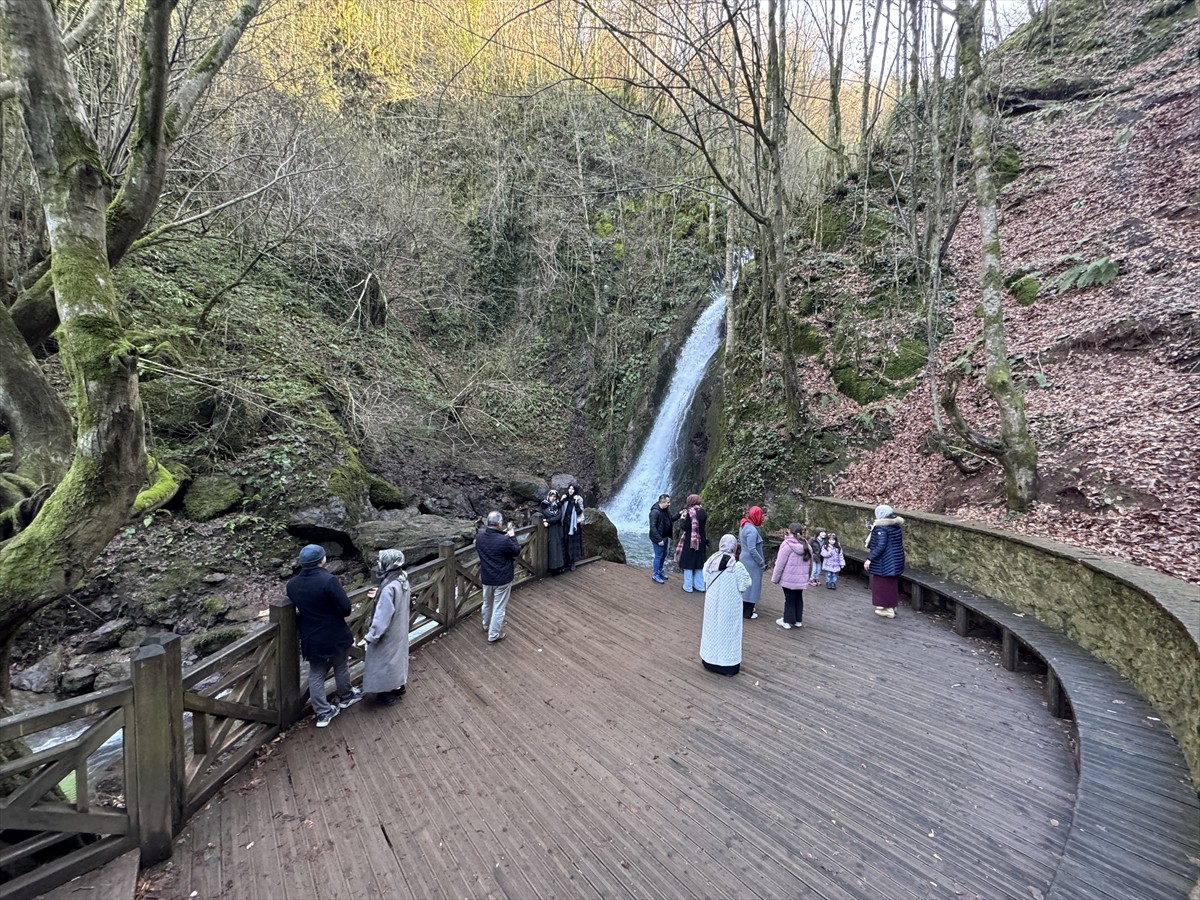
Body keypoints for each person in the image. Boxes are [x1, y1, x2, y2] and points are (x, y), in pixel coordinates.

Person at [286, 544, 363, 727]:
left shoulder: (292, 585)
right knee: (341, 666)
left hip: (311, 636)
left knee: (316, 674)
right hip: (334, 632)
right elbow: (345, 608)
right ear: (322, 560)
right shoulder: (328, 580)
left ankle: (322, 712)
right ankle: (346, 695)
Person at [362, 549, 411, 707]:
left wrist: (371, 636)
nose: (378, 563)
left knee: (384, 661)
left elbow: (382, 617)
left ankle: (386, 693)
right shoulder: (402, 577)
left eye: (381, 560)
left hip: (388, 631)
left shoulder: (389, 587)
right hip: (400, 626)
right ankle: (399, 686)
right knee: (397, 658)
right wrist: (380, 592)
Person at [699, 534, 752, 676]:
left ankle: (709, 661)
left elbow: (704, 577)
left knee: (711, 630)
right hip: (729, 605)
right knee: (728, 632)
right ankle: (727, 665)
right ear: (734, 547)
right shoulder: (737, 566)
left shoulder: (710, 561)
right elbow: (745, 584)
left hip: (712, 602)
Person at [476, 511, 522, 642]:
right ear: (500, 523)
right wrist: (512, 537)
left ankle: (486, 625)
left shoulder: (479, 537)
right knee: (499, 608)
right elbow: (516, 551)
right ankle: (493, 635)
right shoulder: (504, 540)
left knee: (487, 603)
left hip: (486, 577)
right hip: (502, 578)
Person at [865, 504, 906, 618]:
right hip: (895, 560)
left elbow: (880, 546)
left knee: (882, 585)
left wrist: (869, 559)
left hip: (884, 562)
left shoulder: (881, 528)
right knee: (890, 584)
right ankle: (890, 605)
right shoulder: (895, 525)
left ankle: (888, 610)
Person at [771, 523, 812, 629]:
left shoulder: (787, 545)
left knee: (789, 598)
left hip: (788, 579)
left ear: (790, 531)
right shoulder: (807, 545)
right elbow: (811, 564)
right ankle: (798, 620)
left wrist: (775, 578)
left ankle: (788, 620)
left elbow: (780, 563)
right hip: (801, 579)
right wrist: (808, 577)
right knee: (798, 598)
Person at [675, 493, 709, 592]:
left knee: (688, 563)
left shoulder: (690, 513)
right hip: (701, 540)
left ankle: (688, 586)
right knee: (699, 563)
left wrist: (682, 518)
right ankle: (699, 586)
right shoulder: (703, 512)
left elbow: (685, 527)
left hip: (690, 541)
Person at [737, 505, 765, 619]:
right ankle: (747, 612)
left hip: (744, 558)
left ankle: (744, 608)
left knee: (745, 583)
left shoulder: (744, 524)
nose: (762, 517)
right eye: (761, 515)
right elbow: (752, 549)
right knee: (752, 585)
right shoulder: (752, 531)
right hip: (751, 562)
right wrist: (761, 562)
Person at [648, 493, 674, 584]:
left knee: (664, 554)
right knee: (658, 556)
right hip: (658, 539)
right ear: (662, 502)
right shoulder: (655, 512)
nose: (669, 504)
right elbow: (653, 527)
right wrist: (659, 539)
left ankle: (660, 570)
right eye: (668, 502)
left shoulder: (666, 510)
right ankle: (655, 574)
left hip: (665, 537)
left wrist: (679, 514)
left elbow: (671, 519)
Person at [540, 489, 566, 574]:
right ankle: (553, 568)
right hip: (550, 530)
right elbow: (543, 513)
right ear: (548, 496)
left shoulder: (558, 505)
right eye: (551, 496)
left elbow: (559, 517)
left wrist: (547, 520)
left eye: (554, 496)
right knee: (552, 547)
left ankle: (560, 566)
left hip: (557, 529)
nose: (553, 498)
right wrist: (547, 521)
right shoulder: (544, 505)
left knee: (559, 547)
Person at [562, 483, 585, 571]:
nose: (570, 490)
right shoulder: (565, 498)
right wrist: (561, 500)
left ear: (575, 490)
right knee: (565, 543)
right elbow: (561, 508)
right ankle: (565, 562)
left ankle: (572, 562)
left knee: (572, 544)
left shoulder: (579, 499)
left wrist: (575, 503)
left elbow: (579, 512)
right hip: (565, 525)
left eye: (572, 489)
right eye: (569, 489)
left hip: (574, 525)